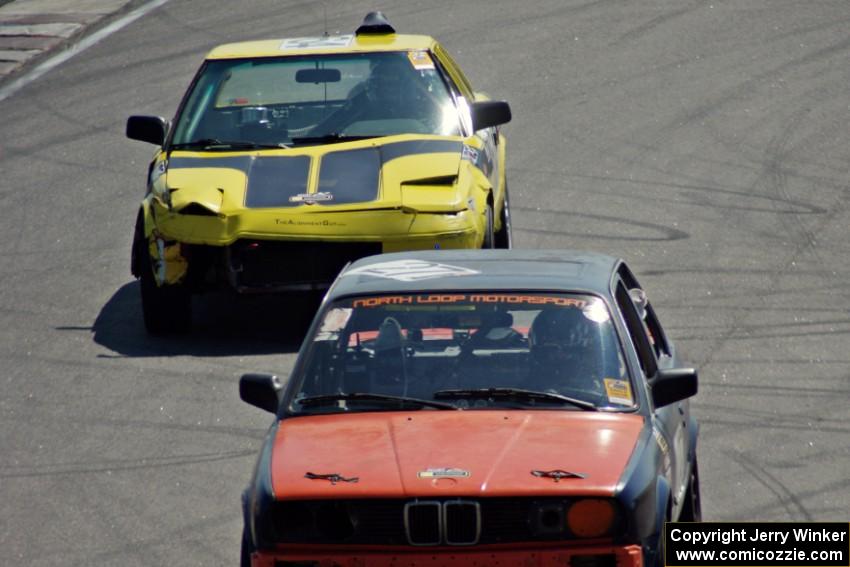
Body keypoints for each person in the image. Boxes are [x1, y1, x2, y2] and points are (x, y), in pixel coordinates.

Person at [527, 307, 608, 397]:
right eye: (549, 350)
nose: (558, 356)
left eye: (569, 350)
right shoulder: (520, 391)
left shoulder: (602, 393)